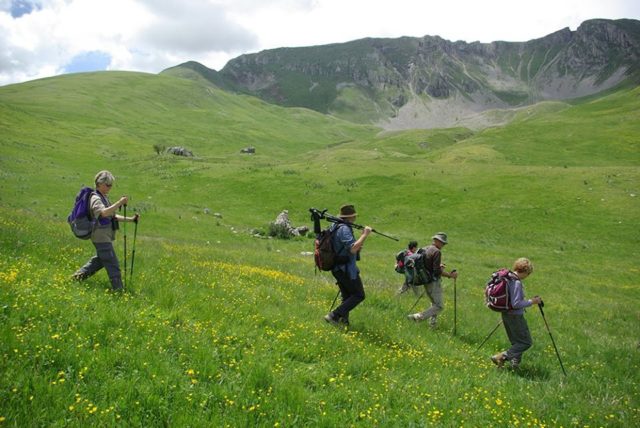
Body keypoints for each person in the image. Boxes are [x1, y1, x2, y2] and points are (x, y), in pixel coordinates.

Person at [72, 170, 139, 291]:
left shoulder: (104, 198)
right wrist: (119, 203)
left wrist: (131, 219)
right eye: (107, 185)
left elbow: (112, 216)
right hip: (100, 236)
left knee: (100, 261)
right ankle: (118, 290)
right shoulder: (95, 198)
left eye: (111, 185)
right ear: (100, 183)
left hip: (105, 236)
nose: (110, 187)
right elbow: (103, 213)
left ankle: (77, 278)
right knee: (113, 264)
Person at [324, 204, 372, 327]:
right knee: (358, 295)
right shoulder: (344, 229)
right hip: (345, 269)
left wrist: (358, 243)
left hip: (338, 267)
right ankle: (333, 315)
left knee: (347, 296)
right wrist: (364, 235)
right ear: (351, 217)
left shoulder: (336, 225)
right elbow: (352, 249)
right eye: (354, 216)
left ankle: (343, 322)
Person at [491, 258, 542, 369]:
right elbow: (516, 304)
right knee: (525, 343)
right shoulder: (516, 282)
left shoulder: (507, 277)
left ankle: (514, 364)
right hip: (515, 316)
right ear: (525, 271)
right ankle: (501, 356)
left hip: (505, 313)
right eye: (528, 274)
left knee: (516, 342)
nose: (527, 276)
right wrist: (532, 301)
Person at [407, 232, 458, 327]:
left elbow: (427, 265)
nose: (443, 245)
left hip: (425, 280)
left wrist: (438, 266)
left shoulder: (425, 248)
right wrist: (450, 275)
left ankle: (432, 324)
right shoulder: (437, 252)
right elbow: (436, 271)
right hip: (433, 282)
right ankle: (417, 317)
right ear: (437, 241)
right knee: (439, 306)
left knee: (434, 303)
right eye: (442, 242)